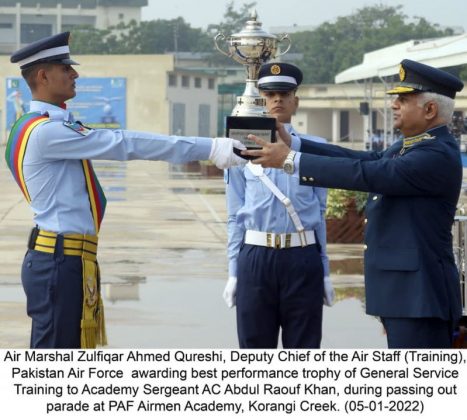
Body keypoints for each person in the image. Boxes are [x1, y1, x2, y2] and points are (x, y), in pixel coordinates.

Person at [5, 32, 244, 349]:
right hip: (59, 262)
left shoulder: (33, 124)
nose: (75, 74)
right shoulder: (46, 131)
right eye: (66, 69)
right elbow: (125, 143)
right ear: (43, 76)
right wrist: (210, 148)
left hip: (63, 258)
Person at [242, 59, 464, 349]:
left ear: (430, 109)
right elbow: (364, 160)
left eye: (404, 99)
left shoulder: (434, 154)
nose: (394, 104)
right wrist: (296, 145)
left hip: (419, 296)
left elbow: (371, 174)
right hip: (406, 294)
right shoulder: (411, 145)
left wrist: (289, 160)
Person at [223, 62, 334, 349]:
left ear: (295, 101)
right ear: (260, 98)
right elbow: (235, 216)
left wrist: (324, 271)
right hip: (256, 256)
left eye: (285, 94)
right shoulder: (239, 150)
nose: (277, 100)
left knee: (304, 346)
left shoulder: (314, 149)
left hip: (302, 255)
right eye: (270, 94)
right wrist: (234, 271)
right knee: (255, 347)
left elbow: (319, 215)